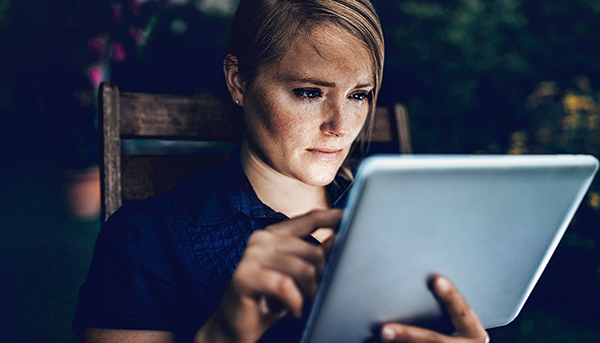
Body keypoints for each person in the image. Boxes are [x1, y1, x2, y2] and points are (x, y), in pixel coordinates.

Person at [73, 0, 490, 342]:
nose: (341, 126)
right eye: (310, 92)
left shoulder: (407, 222)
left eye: (359, 95)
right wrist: (220, 336)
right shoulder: (145, 238)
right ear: (238, 81)